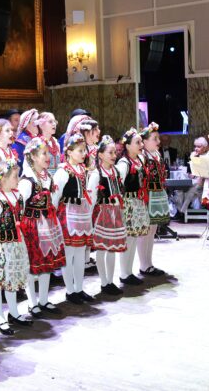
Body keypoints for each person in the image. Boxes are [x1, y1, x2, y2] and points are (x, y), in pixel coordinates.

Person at [18, 138, 66, 317]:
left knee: (47, 264)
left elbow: (52, 201)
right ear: (32, 157)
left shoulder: (48, 177)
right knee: (32, 266)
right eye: (43, 154)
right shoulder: (27, 181)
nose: (48, 157)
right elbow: (20, 208)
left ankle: (44, 300)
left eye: (48, 153)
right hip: (32, 227)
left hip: (48, 224)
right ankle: (32, 303)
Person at [0, 160, 31, 335]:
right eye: (15, 176)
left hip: (16, 245)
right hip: (0, 248)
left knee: (12, 282)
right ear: (2, 179)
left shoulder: (18, 197)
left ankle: (14, 313)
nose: (18, 179)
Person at [53, 133, 95, 304]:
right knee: (69, 254)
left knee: (80, 254)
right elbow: (55, 196)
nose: (83, 154)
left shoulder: (82, 170)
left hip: (81, 214)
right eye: (80, 150)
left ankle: (79, 288)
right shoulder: (63, 171)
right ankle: (70, 290)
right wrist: (53, 219)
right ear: (69, 152)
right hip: (68, 214)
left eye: (84, 150)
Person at [87, 135, 127, 295]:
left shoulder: (115, 172)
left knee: (112, 249)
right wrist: (89, 221)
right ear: (100, 155)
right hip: (102, 214)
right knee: (102, 249)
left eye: (115, 152)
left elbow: (120, 192)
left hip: (115, 213)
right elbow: (91, 199)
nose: (113, 155)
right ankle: (104, 282)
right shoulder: (96, 174)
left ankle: (110, 281)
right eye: (110, 152)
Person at [116, 128, 149, 286]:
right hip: (128, 203)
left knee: (134, 238)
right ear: (128, 146)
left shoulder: (140, 160)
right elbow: (118, 184)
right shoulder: (124, 163)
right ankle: (124, 273)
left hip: (138, 202)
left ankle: (129, 272)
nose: (141, 145)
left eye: (141, 142)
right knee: (128, 239)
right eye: (137, 142)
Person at [139, 124, 169, 273]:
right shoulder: (142, 157)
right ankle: (143, 264)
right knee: (145, 230)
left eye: (158, 138)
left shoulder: (156, 154)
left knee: (152, 229)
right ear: (144, 141)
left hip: (158, 193)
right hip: (147, 195)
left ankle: (149, 263)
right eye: (154, 138)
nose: (158, 141)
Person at [174, 137, 208, 219]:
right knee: (179, 189)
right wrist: (193, 160)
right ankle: (180, 210)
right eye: (195, 146)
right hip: (194, 181)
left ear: (204, 148)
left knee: (192, 190)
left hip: (203, 184)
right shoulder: (195, 156)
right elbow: (192, 173)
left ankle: (182, 212)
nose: (196, 148)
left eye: (198, 147)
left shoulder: (207, 157)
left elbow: (204, 174)